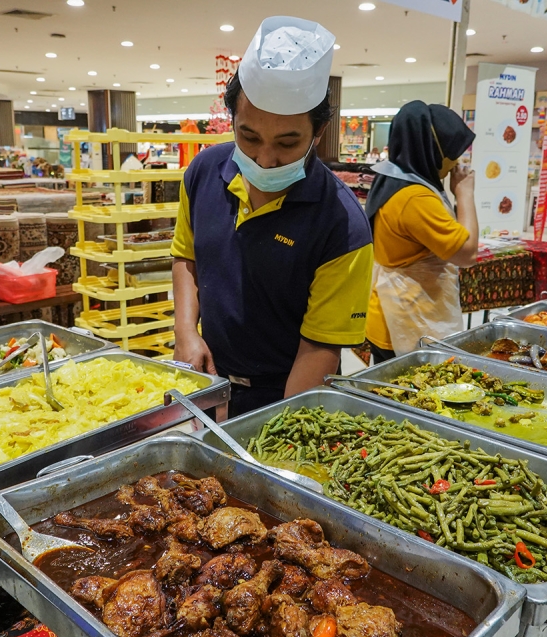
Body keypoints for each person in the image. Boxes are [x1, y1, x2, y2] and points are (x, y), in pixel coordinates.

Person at [170, 16, 374, 417]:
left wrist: (271, 440)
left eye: (287, 142)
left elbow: (319, 349)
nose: (264, 159)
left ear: (319, 132)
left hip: (285, 393)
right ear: (231, 118)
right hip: (205, 379)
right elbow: (186, 256)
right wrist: (185, 333)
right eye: (249, 137)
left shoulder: (342, 224)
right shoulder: (203, 172)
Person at [364, 101, 479, 364]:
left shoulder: (394, 177)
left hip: (393, 315)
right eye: (453, 153)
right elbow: (467, 253)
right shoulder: (415, 197)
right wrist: (465, 193)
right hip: (409, 321)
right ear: (432, 150)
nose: (457, 162)